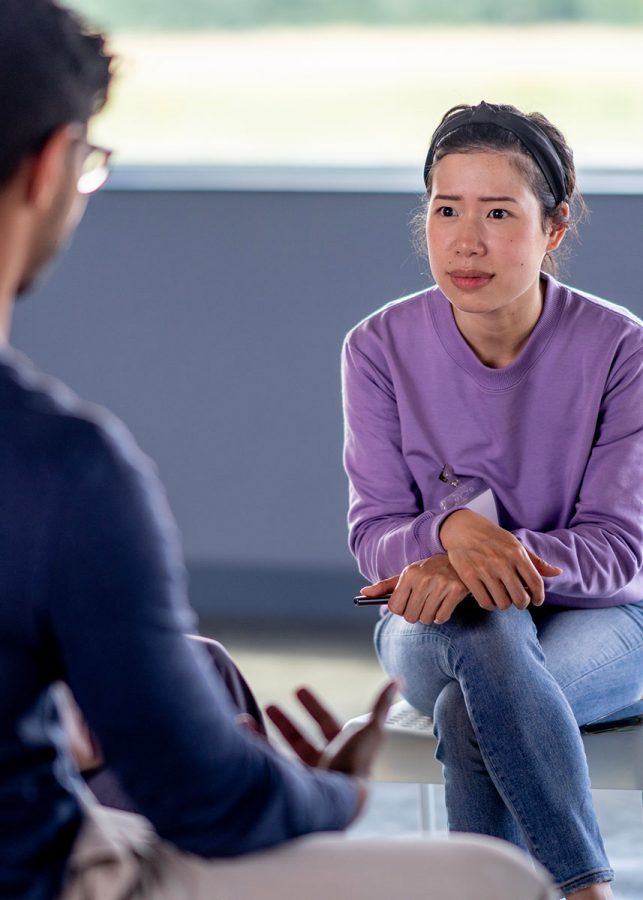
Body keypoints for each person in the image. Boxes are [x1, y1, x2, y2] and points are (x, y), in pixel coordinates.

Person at [0, 5, 559, 900]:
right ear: (47, 168)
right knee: (492, 877)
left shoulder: (610, 350)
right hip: (49, 872)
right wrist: (327, 793)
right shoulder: (68, 470)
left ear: (550, 229)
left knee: (205, 667)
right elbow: (210, 800)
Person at [342, 99, 643, 900]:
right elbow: (374, 535)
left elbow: (619, 553)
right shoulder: (376, 348)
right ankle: (586, 891)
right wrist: (448, 533)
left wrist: (476, 551)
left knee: (475, 709)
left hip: (605, 622)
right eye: (445, 210)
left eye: (498, 212)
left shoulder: (620, 348)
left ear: (553, 227)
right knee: (484, 627)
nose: (465, 240)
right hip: (427, 625)